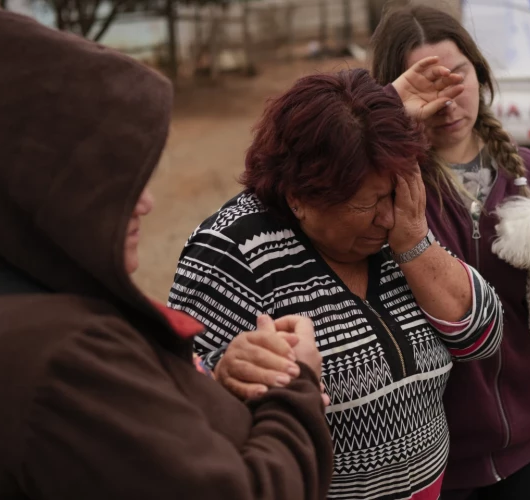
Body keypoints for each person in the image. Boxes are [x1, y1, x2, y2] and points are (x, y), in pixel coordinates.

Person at [0, 10, 333, 500]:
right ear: (35, 186)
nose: (145, 203)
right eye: (103, 179)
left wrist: (220, 393)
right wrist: (293, 385)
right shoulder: (61, 358)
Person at [167, 68, 504, 500]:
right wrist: (224, 374)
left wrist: (415, 243)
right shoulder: (230, 250)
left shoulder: (400, 224)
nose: (387, 217)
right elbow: (182, 401)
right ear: (300, 198)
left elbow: (484, 337)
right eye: (367, 204)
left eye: (391, 196)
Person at [369, 5, 530, 500]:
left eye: (458, 74)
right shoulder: (385, 194)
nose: (448, 100)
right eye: (427, 85)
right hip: (432, 462)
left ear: (480, 71)